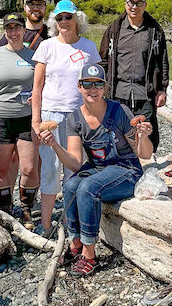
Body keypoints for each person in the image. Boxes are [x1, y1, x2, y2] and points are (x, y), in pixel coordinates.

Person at [39, 64, 152, 277]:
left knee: (88, 187)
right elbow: (74, 163)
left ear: (104, 88)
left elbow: (144, 154)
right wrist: (54, 144)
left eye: (98, 85)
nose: (93, 89)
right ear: (79, 87)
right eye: (87, 84)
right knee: (72, 184)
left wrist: (143, 136)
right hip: (99, 168)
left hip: (127, 170)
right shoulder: (74, 119)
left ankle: (90, 254)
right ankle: (76, 242)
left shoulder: (119, 112)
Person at [31, 0, 102, 233]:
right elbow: (37, 86)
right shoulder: (47, 46)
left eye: (68, 17)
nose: (64, 22)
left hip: (78, 115)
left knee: (74, 168)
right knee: (50, 169)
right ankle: (45, 224)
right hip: (50, 114)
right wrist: (36, 120)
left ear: (77, 20)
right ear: (54, 22)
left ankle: (69, 223)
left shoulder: (88, 47)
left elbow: (96, 84)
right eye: (59, 18)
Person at [0, 13, 38, 229]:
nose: (13, 32)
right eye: (9, 28)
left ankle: (26, 210)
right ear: (4, 31)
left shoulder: (34, 56)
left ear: (24, 30)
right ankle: (6, 212)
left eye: (17, 28)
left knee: (30, 168)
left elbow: (42, 85)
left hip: (26, 118)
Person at [98, 0, 168, 152]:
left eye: (139, 3)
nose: (134, 7)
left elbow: (162, 61)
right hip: (118, 92)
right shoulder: (114, 30)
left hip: (145, 92)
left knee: (147, 135)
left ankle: (147, 166)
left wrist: (162, 89)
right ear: (125, 4)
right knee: (118, 134)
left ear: (145, 5)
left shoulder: (154, 31)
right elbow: (103, 60)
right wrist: (102, 88)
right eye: (131, 3)